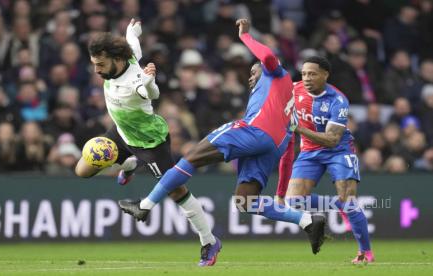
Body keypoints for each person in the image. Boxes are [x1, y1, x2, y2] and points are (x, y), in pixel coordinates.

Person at [119, 18, 327, 257]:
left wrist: (245, 36)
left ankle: (144, 206)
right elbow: (288, 151)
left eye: (253, 72)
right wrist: (280, 192)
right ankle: (307, 221)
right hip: (273, 147)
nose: (250, 78)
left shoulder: (277, 74)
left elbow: (268, 58)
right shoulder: (287, 106)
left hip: (255, 131)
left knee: (191, 158)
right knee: (245, 202)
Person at [74, 19, 219, 267]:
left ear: (115, 60)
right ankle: (129, 163)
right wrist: (133, 31)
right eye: (94, 64)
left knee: (177, 191)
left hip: (149, 141)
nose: (96, 70)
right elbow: (133, 45)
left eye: (100, 64)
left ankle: (209, 241)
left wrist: (149, 83)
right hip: (121, 132)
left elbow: (151, 94)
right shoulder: (126, 58)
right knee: (83, 171)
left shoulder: (135, 81)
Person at [282, 56, 374, 264]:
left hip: (338, 151)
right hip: (309, 153)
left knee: (349, 200)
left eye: (312, 74)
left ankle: (365, 252)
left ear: (325, 75)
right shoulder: (294, 89)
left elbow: (332, 140)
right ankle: (337, 204)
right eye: (304, 73)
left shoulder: (338, 100)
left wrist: (298, 128)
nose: (306, 78)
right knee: (293, 201)